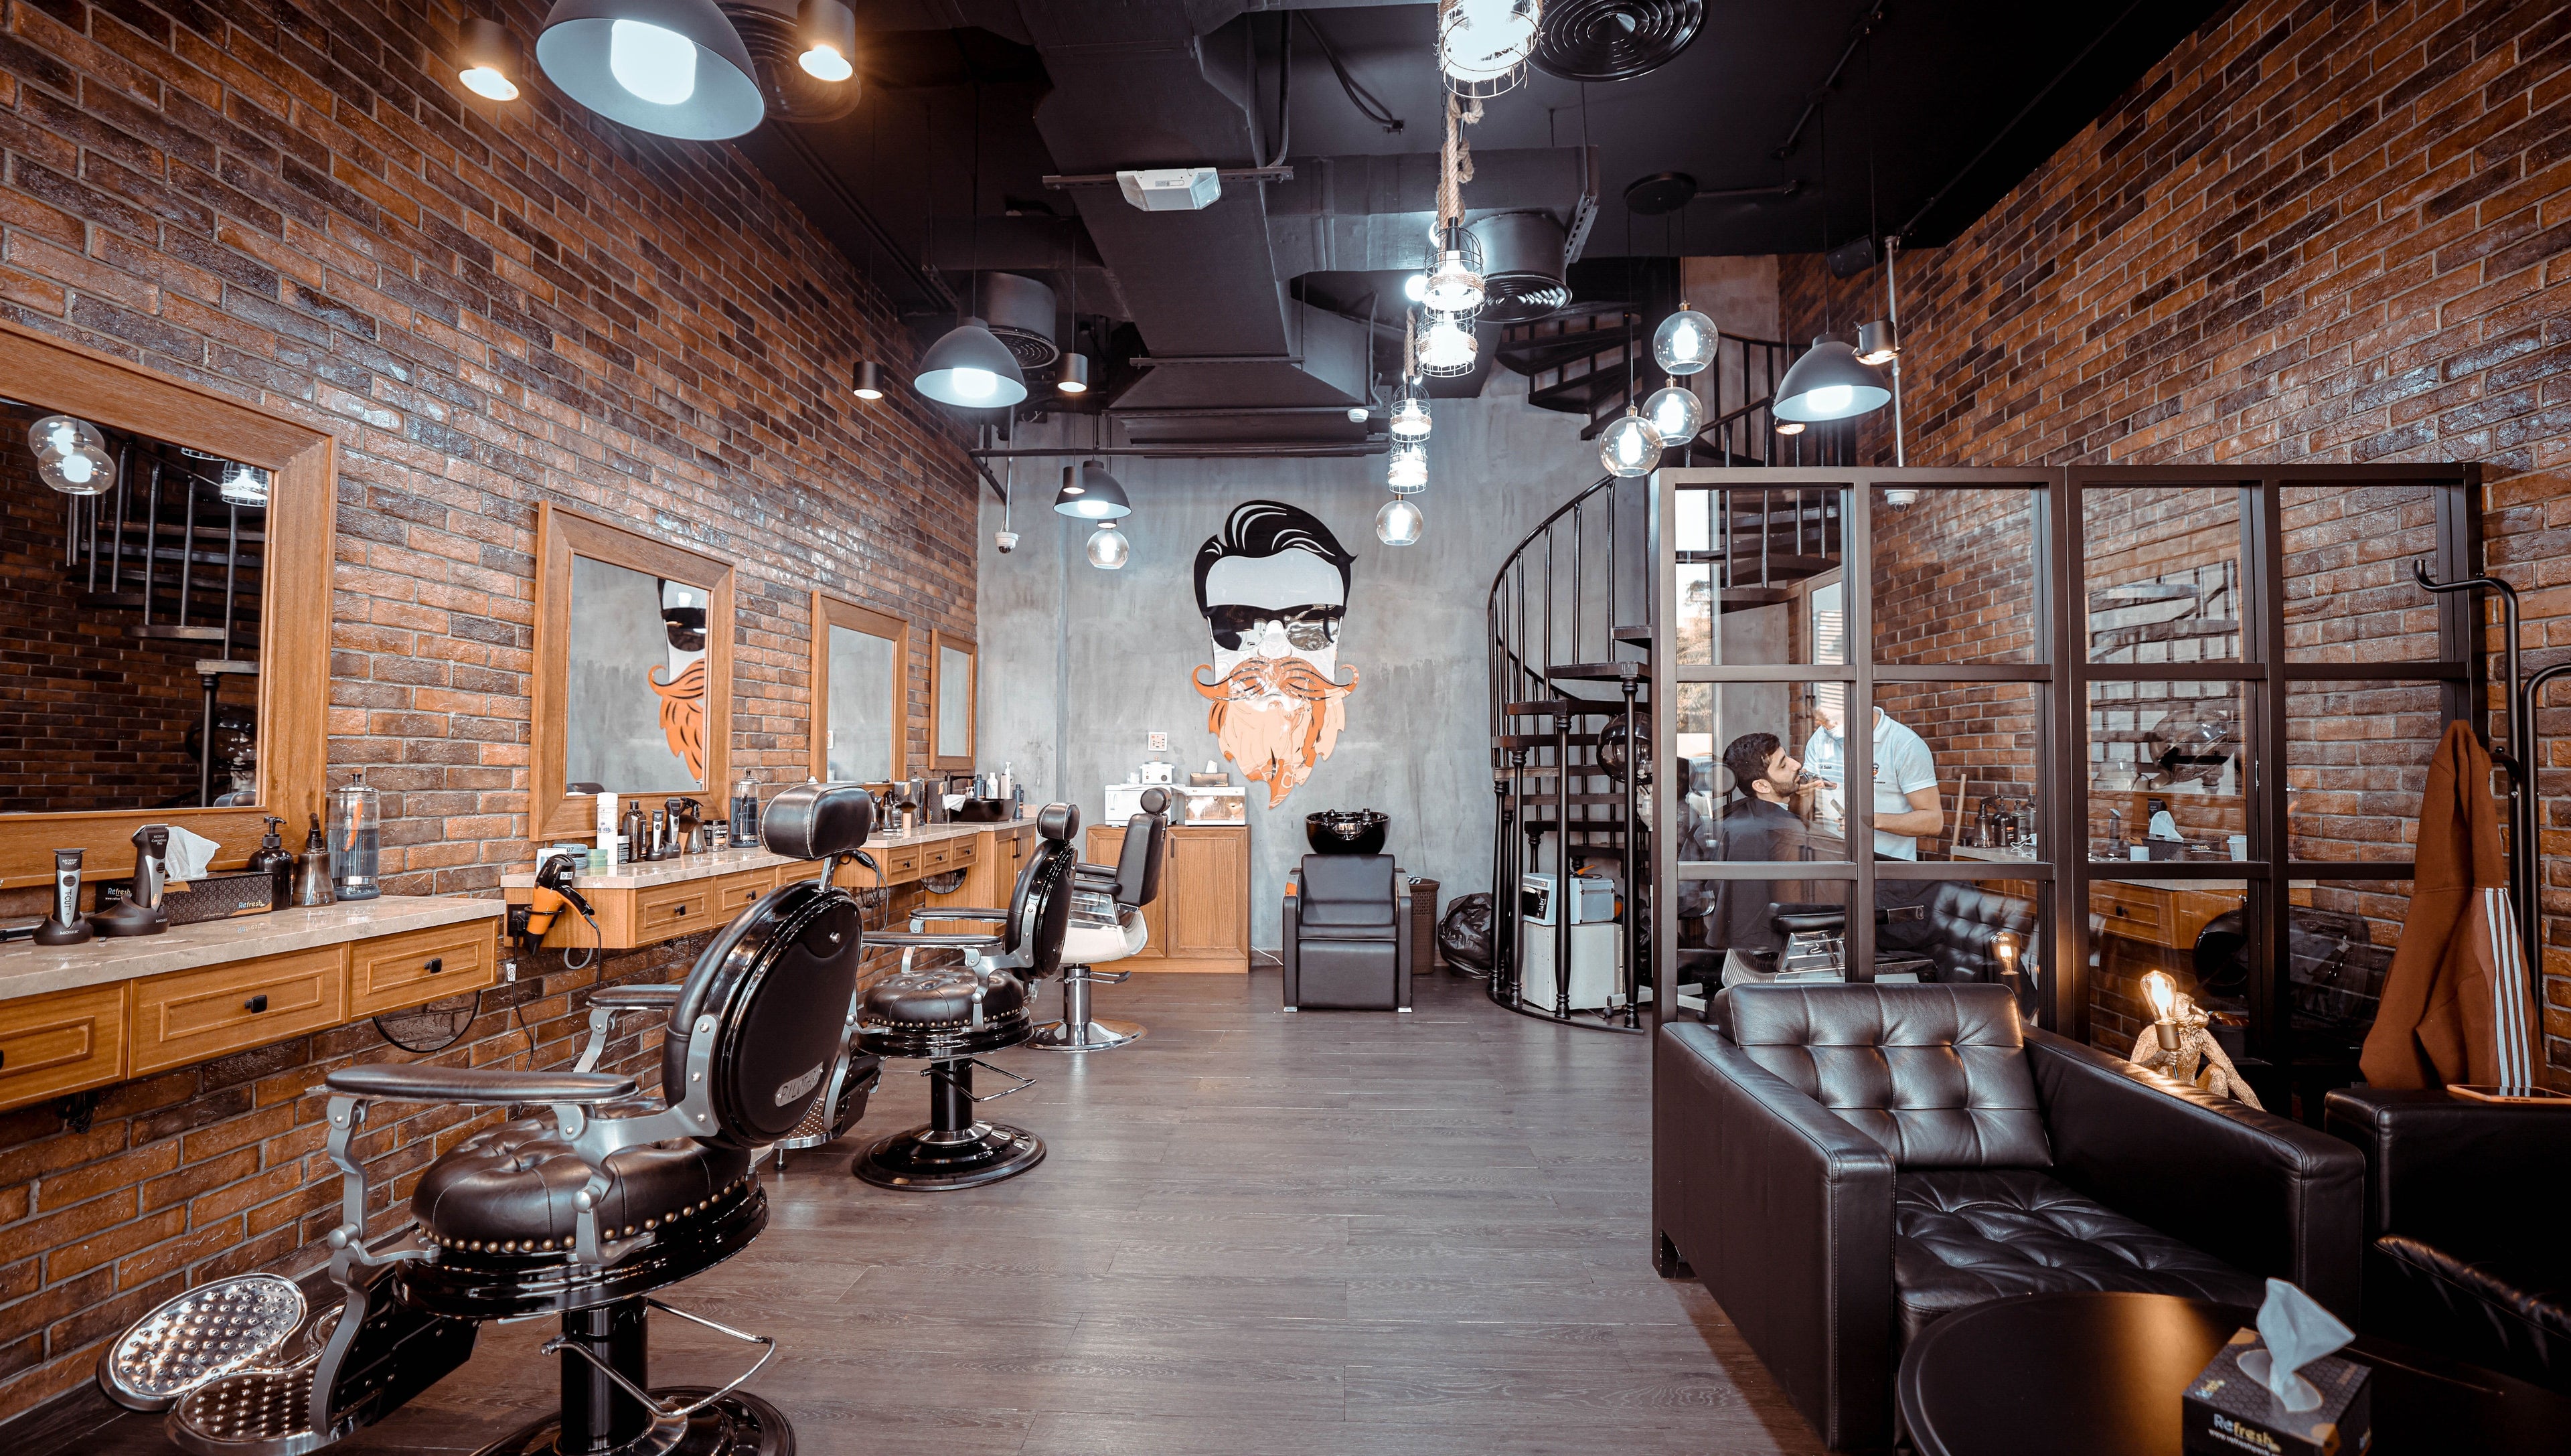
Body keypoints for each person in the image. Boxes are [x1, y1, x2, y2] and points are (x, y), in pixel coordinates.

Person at [1803, 698, 1942, 859]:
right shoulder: (1820, 738)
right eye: (1821, 722)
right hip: (1835, 863)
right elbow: (1805, 802)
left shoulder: (1905, 744)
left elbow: (1933, 821)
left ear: (1858, 708)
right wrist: (1803, 791)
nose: (1827, 728)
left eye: (1830, 721)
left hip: (1889, 868)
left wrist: (1868, 820)